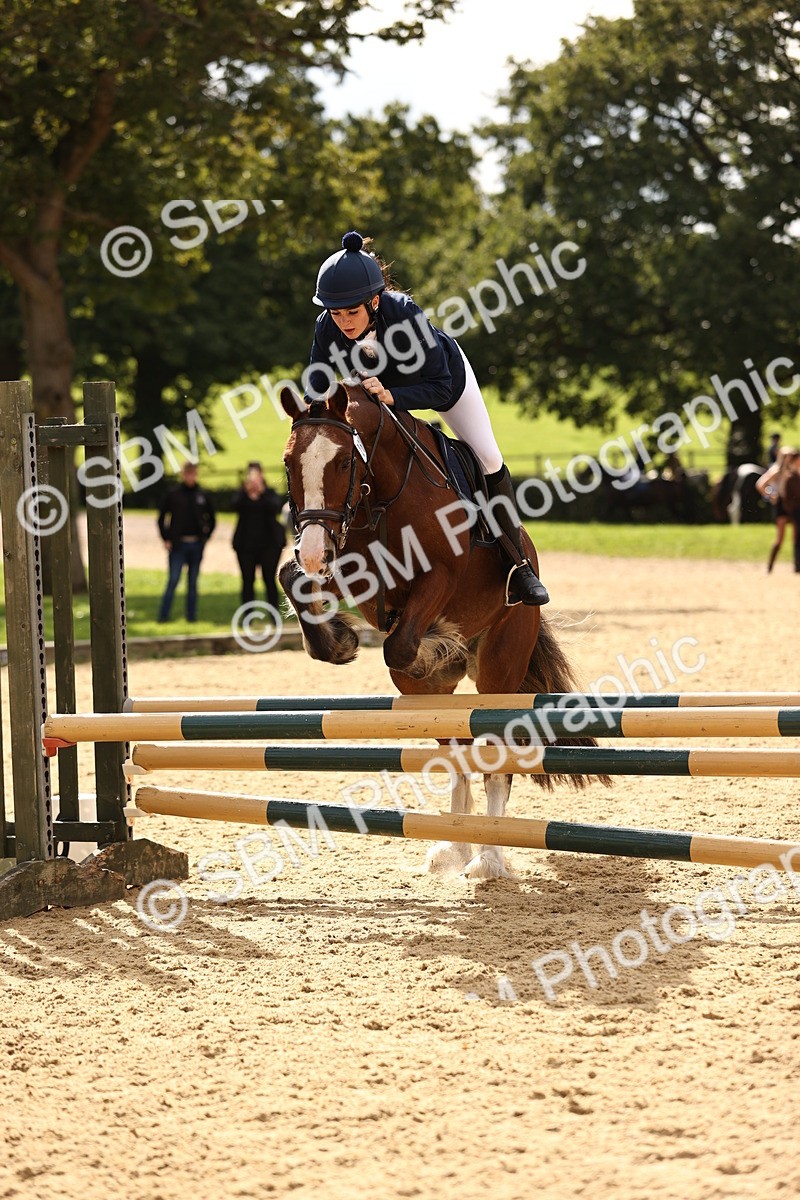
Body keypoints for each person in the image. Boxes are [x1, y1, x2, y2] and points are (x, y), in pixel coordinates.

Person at [303, 230, 549, 606]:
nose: (344, 323)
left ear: (374, 300)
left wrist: (394, 396)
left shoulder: (402, 313)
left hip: (442, 384)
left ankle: (518, 566)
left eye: (352, 312)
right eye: (336, 313)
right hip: (377, 392)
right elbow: (316, 385)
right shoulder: (327, 326)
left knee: (488, 458)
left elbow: (439, 385)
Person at [156, 461, 216, 622]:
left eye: (193, 473)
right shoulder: (173, 494)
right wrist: (166, 538)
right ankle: (163, 616)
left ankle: (191, 617)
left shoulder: (202, 495)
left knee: (193, 583)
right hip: (177, 545)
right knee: (173, 580)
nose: (190, 477)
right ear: (183, 474)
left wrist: (205, 537)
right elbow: (161, 518)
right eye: (187, 473)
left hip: (196, 544)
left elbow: (212, 519)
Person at [232, 462, 286, 610]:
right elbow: (234, 506)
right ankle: (248, 614)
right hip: (245, 546)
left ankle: (274, 613)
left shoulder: (269, 493)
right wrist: (246, 492)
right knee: (247, 580)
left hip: (269, 545)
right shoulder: (242, 494)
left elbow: (275, 507)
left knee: (269, 579)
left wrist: (262, 492)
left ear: (262, 475)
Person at [756, 448, 800, 573]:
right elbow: (761, 484)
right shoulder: (776, 471)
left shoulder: (793, 471)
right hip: (781, 505)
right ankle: (770, 566)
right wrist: (771, 495)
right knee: (780, 538)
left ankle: (796, 566)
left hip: (792, 505)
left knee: (796, 537)